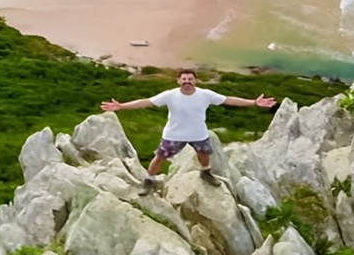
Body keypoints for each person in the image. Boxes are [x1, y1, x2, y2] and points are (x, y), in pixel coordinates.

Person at [100, 68, 276, 195]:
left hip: (198, 133)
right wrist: (122, 106)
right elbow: (146, 102)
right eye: (183, 79)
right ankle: (149, 180)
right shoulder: (170, 95)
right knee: (159, 157)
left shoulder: (205, 94)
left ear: (195, 81)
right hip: (173, 134)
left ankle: (205, 172)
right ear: (178, 81)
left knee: (203, 154)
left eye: (190, 79)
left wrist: (254, 103)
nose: (187, 81)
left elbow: (229, 100)